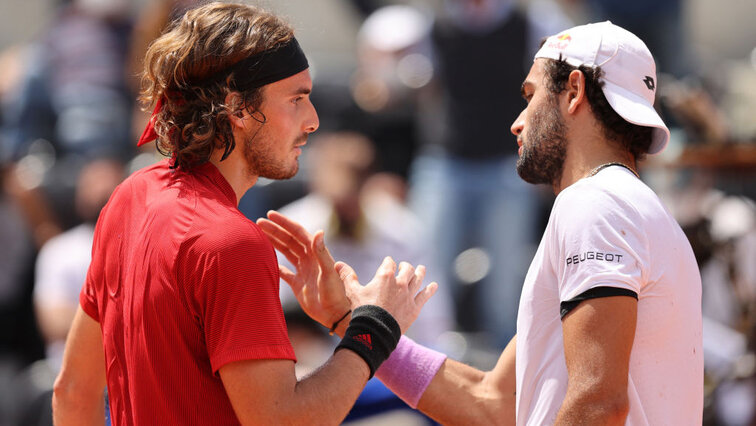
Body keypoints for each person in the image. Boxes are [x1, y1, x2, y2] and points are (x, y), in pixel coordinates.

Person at [260, 21, 703, 424]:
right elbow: (491, 403)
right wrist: (353, 321)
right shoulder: (623, 207)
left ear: (573, 92)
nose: (517, 122)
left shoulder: (595, 204)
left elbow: (598, 403)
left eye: (530, 97)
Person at [52, 3, 436, 425]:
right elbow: (283, 420)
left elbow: (72, 391)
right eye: (296, 99)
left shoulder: (130, 197)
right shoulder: (233, 243)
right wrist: (373, 328)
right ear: (237, 108)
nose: (312, 121)